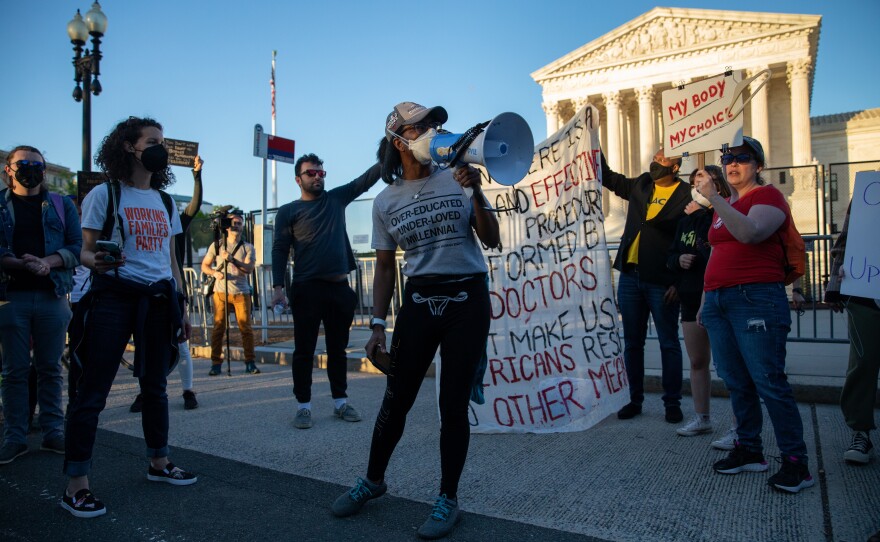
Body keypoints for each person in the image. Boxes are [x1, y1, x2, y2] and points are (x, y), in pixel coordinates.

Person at [331, 101, 500, 540]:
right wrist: (375, 325)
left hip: (468, 300)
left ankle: (448, 498)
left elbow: (492, 238)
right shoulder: (385, 201)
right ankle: (373, 480)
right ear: (398, 140)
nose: (430, 130)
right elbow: (385, 267)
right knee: (397, 397)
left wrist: (476, 192)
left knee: (451, 404)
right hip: (420, 302)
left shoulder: (459, 177)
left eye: (432, 124)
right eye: (419, 126)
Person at [63, 117, 196, 518]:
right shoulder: (106, 195)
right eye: (153, 141)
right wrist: (98, 261)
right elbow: (85, 251)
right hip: (114, 299)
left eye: (163, 142)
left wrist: (181, 304)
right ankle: (76, 485)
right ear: (128, 147)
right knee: (94, 391)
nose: (161, 148)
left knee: (155, 387)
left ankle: (159, 462)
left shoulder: (166, 200)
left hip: (158, 303)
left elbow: (170, 259)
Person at [696, 135, 814, 494]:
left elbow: (750, 233)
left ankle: (796, 463)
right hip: (719, 301)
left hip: (756, 297)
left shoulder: (767, 197)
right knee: (735, 381)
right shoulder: (724, 207)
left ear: (758, 166)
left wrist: (714, 197)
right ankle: (749, 449)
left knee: (769, 382)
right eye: (728, 158)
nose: (733, 164)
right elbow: (717, 255)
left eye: (743, 158)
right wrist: (706, 300)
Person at [270, 153, 381, 429]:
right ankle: (303, 406)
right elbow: (280, 249)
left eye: (321, 173)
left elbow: (364, 181)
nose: (317, 177)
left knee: (337, 349)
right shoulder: (288, 211)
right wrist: (277, 288)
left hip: (339, 289)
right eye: (311, 173)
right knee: (304, 350)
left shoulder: (335, 199)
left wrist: (391, 152)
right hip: (306, 289)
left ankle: (340, 402)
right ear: (298, 179)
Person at [0, 146, 82, 465]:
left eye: (37, 165)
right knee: (14, 371)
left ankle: (53, 432)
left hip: (52, 296)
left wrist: (47, 262)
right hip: (11, 298)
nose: (31, 170)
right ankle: (15, 437)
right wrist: (23, 264)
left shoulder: (62, 205)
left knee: (50, 369)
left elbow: (76, 246)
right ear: (9, 170)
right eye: (24, 164)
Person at [600, 148, 691, 422]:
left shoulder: (687, 195)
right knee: (632, 344)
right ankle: (633, 399)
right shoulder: (641, 184)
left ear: (675, 167)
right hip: (630, 276)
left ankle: (672, 403)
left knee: (668, 343)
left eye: (664, 159)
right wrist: (594, 140)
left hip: (663, 280)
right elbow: (608, 178)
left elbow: (690, 239)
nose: (657, 161)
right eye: (657, 156)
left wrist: (679, 281)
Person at [131, 155, 204, 410]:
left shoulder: (174, 214)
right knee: (144, 345)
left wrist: (197, 176)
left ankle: (188, 390)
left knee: (180, 343)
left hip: (170, 286)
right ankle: (146, 390)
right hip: (140, 288)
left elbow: (194, 205)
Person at [667, 166, 732, 438]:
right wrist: (678, 261)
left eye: (703, 181)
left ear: (717, 184)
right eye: (694, 182)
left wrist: (703, 215)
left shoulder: (722, 214)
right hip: (691, 297)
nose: (697, 187)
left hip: (719, 296)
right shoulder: (684, 221)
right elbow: (671, 255)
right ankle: (702, 417)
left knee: (729, 365)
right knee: (697, 361)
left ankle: (741, 425)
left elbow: (718, 248)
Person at [825, 199, 879, 465]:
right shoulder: (869, 192)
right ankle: (861, 431)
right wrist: (834, 285)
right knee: (863, 360)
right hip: (867, 292)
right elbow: (845, 241)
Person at [201, 210, 259, 376]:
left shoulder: (248, 247)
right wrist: (214, 273)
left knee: (245, 328)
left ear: (242, 228)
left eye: (239, 223)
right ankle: (216, 363)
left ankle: (250, 362)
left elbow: (249, 268)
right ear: (227, 227)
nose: (236, 225)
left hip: (241, 292)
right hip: (221, 292)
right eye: (233, 223)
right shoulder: (218, 245)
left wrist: (232, 259)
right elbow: (205, 266)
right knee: (219, 328)